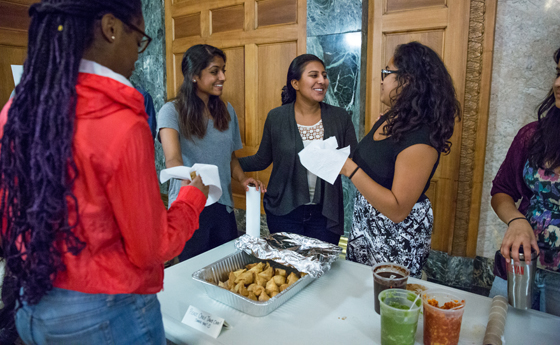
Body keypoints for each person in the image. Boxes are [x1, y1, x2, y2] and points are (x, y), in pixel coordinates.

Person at [0, 0, 209, 344]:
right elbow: (151, 246)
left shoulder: (16, 109)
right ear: (111, 28)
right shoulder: (121, 120)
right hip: (104, 314)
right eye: (138, 38)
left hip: (32, 303)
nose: (137, 54)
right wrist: (191, 200)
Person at [341, 42, 460, 277]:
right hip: (365, 231)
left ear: (408, 80)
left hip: (395, 242)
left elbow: (397, 210)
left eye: (387, 73)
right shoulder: (392, 119)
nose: (382, 80)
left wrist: (350, 170)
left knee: (387, 307)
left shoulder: (420, 139)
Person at [158, 44, 264, 262]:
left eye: (223, 70)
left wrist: (243, 179)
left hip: (223, 206)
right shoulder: (171, 111)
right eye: (215, 71)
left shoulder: (227, 110)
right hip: (189, 206)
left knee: (227, 269)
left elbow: (230, 157)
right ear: (194, 75)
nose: (223, 77)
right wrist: (194, 186)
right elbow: (173, 160)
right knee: (192, 273)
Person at [238, 54, 357, 245]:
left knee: (323, 271)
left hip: (325, 214)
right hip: (285, 211)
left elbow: (355, 159)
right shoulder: (276, 117)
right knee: (288, 271)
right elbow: (261, 159)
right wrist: (227, 162)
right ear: (295, 83)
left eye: (324, 75)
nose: (322, 81)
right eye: (314, 75)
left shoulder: (339, 117)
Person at [488, 48, 560, 316]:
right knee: (499, 330)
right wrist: (517, 221)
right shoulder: (533, 136)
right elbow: (501, 191)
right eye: (559, 73)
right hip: (519, 265)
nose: (557, 83)